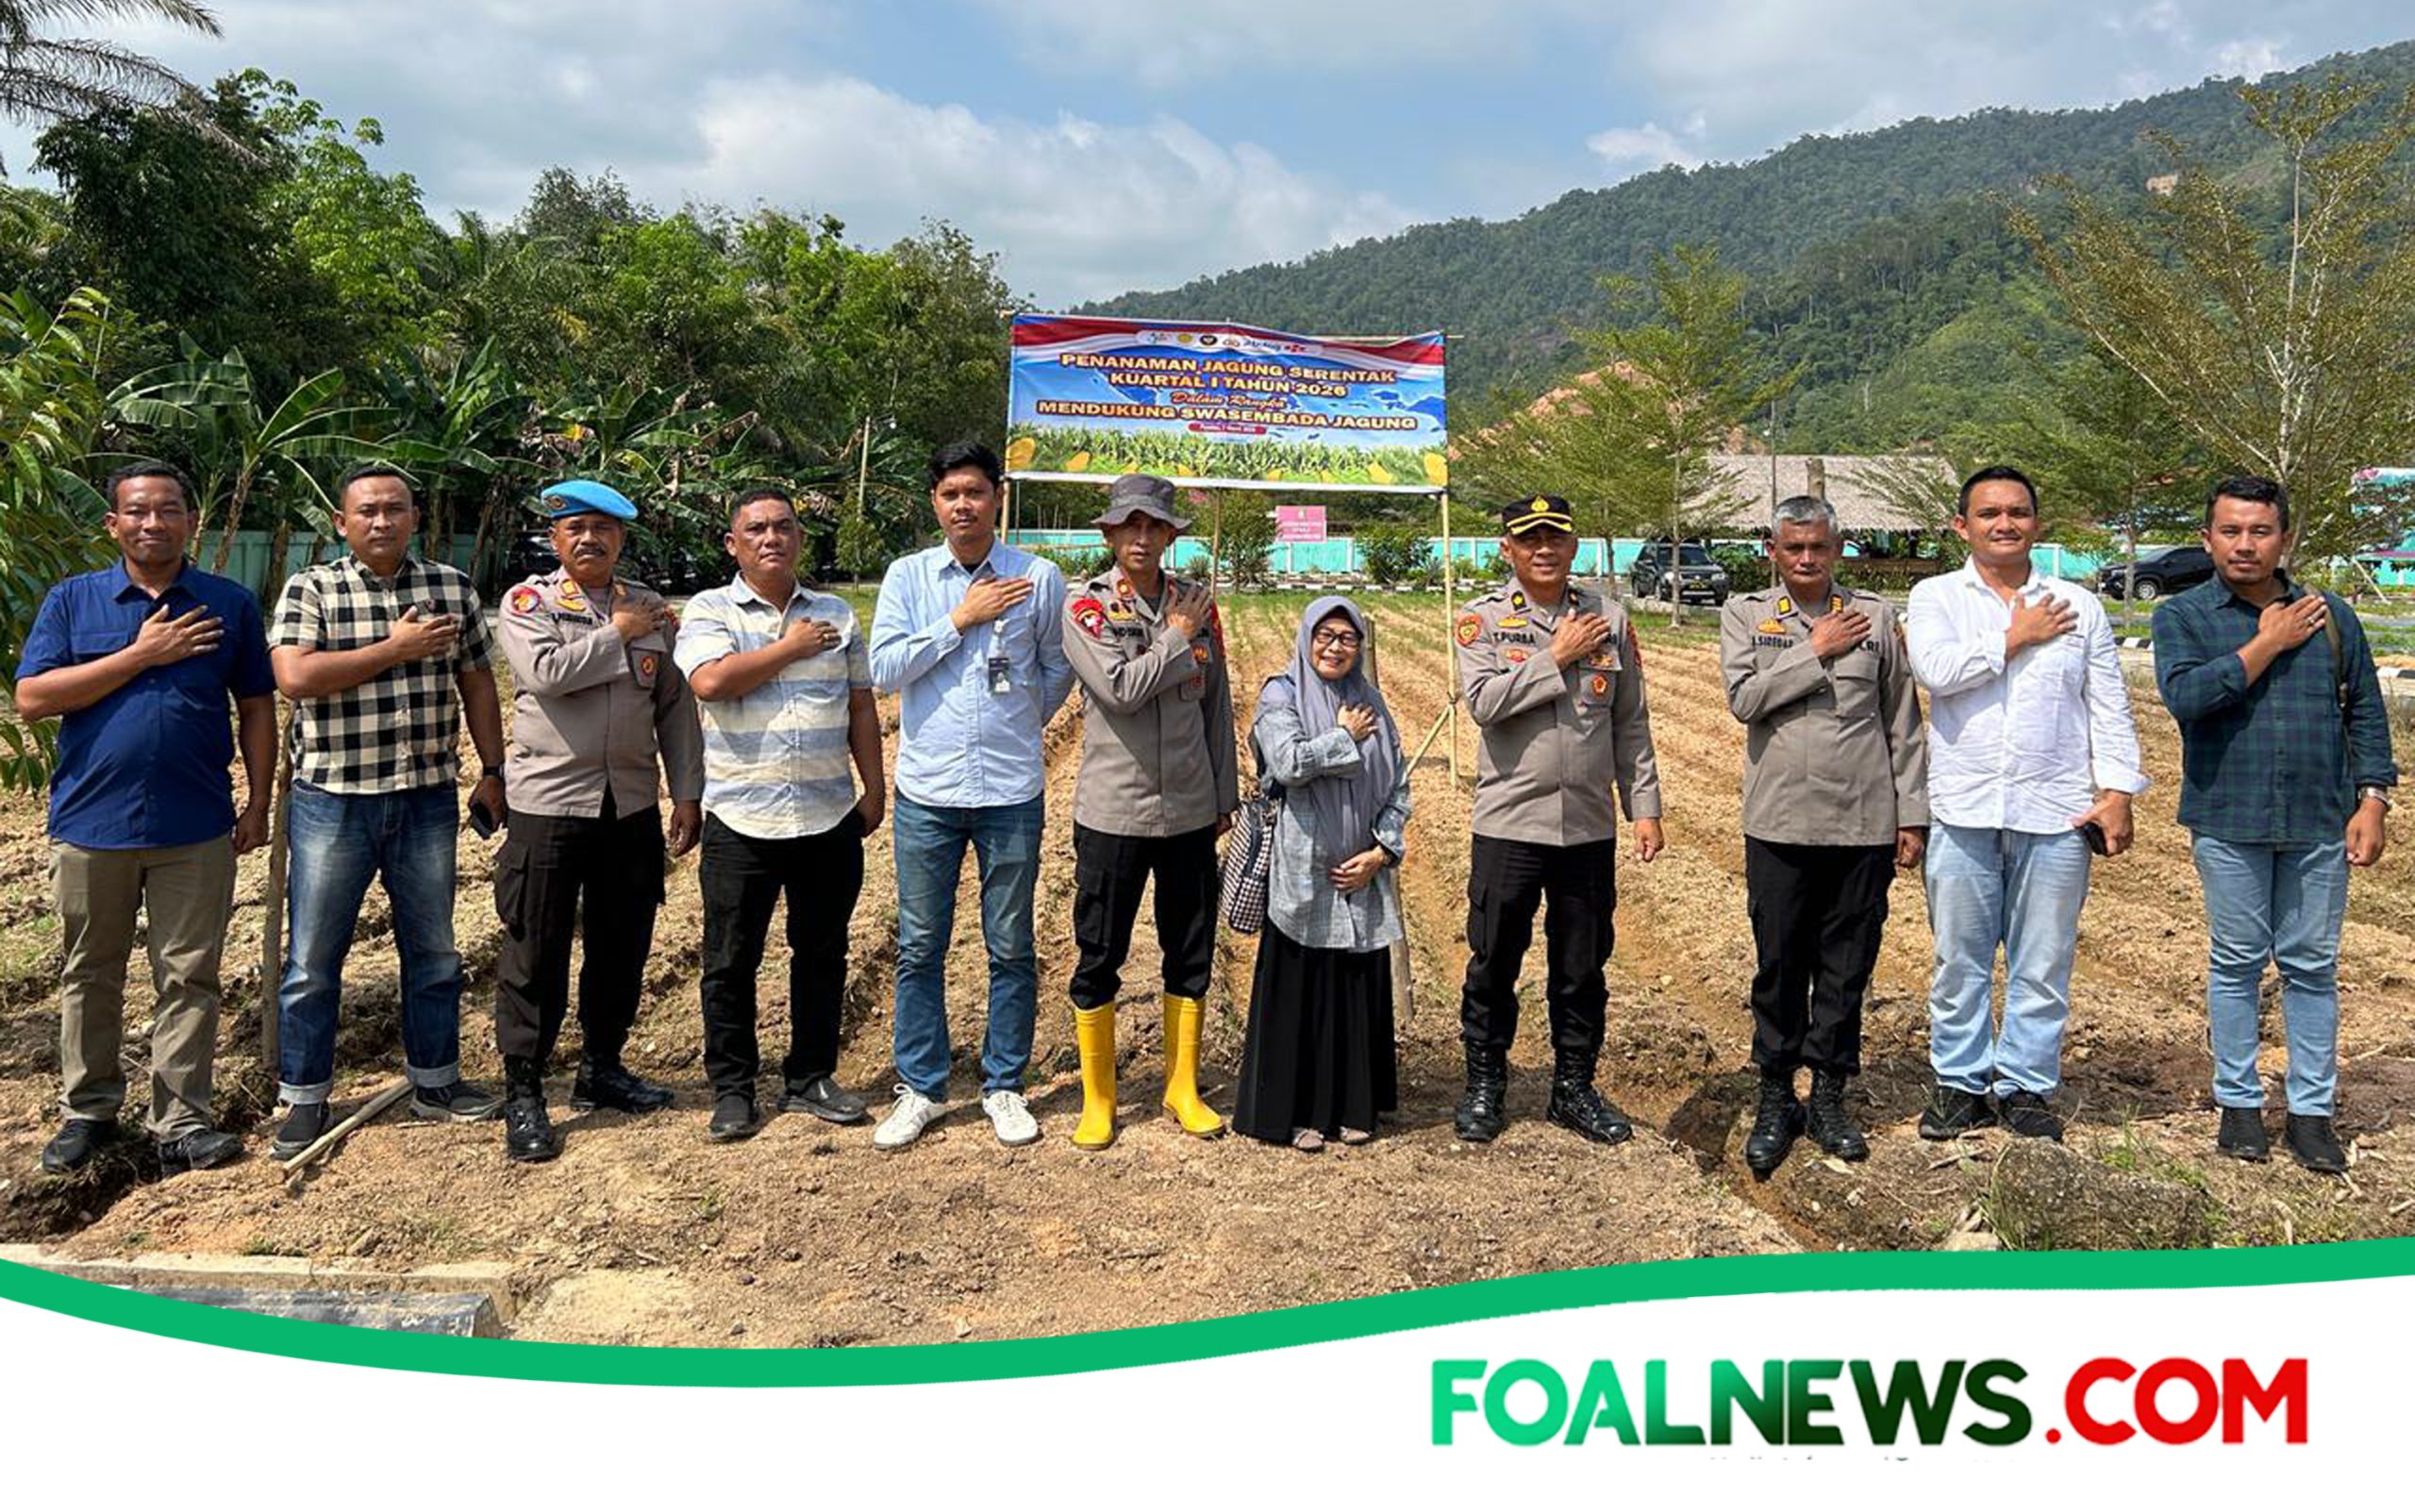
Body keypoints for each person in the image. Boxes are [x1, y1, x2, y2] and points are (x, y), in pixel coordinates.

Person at [14, 462, 275, 1176]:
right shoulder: (73, 601)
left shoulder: (228, 603)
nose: (152, 523)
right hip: (91, 824)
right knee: (90, 972)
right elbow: (33, 698)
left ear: (190, 520)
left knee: (189, 976)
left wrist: (258, 800)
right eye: (137, 511)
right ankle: (89, 1110)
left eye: (167, 510)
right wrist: (139, 655)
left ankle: (182, 1121)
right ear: (113, 524)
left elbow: (256, 704)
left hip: (195, 825)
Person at [2153, 475, 2397, 1173]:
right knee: (2236, 962)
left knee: (2312, 965)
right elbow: (2187, 697)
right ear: (2206, 539)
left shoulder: (2331, 616)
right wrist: (2266, 644)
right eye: (2230, 531)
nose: (2245, 544)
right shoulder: (2183, 616)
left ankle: (2312, 1112)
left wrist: (2373, 800)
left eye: (2260, 531)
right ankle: (2238, 1104)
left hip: (2320, 819)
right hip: (2228, 817)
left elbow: (2366, 711)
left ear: (2284, 538)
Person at [267, 463, 508, 1157]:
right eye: (367, 511)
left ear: (414, 518)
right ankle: (304, 1096)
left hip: (425, 795)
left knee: (433, 950)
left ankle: (437, 1082)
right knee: (313, 958)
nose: (381, 521)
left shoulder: (451, 587)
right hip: (334, 799)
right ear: (341, 523)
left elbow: (477, 682)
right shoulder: (312, 588)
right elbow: (296, 677)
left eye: (395, 509)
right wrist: (395, 649)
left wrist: (493, 770)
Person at [1905, 465, 2147, 1143]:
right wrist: (2017, 636)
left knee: (2043, 961)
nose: (2004, 524)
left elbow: (2108, 703)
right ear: (1962, 526)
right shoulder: (1935, 597)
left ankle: (2025, 1084)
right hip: (1963, 808)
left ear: (2036, 523)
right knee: (1959, 960)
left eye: (2017, 512)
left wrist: (2118, 791)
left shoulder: (2078, 606)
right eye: (1989, 514)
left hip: (2057, 811)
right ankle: (1960, 1082)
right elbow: (1936, 672)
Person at [489, 479, 706, 1163]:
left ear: (621, 538)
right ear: (555, 539)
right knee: (536, 948)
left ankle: (602, 1067)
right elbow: (548, 674)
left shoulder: (648, 607)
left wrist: (687, 792)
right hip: (549, 805)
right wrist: (618, 634)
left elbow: (674, 707)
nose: (590, 539)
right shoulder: (529, 604)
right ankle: (524, 1089)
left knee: (622, 943)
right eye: (576, 528)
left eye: (603, 529)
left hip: (629, 804)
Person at [866, 440, 1073, 1151]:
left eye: (975, 492)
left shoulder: (1037, 577)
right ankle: (922, 1087)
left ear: (997, 498)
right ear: (935, 503)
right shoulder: (908, 576)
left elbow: (1056, 668)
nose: (964, 505)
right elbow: (884, 668)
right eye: (951, 493)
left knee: (1010, 944)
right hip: (927, 791)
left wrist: (1020, 724)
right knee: (920, 944)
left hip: (1011, 790)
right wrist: (959, 618)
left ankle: (1004, 1083)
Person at [1719, 495, 1928, 1175]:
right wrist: (1812, 650)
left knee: (1847, 965)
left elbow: (1902, 720)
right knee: (1780, 964)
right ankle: (1777, 1093)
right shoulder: (1746, 614)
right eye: (1793, 547)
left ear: (1838, 549)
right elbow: (1745, 700)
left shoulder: (1876, 616)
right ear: (1773, 551)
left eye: (1818, 547)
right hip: (1779, 821)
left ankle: (1831, 1094)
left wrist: (1911, 814)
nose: (1806, 558)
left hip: (1861, 822)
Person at [674, 487, 885, 1144]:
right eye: (756, 529)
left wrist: (875, 786)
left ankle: (811, 1076)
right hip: (742, 817)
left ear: (799, 538)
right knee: (730, 960)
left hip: (827, 813)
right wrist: (791, 647)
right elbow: (711, 683)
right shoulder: (710, 610)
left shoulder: (835, 614)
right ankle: (733, 1088)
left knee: (822, 952)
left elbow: (860, 704)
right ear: (732, 544)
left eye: (784, 527)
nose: (772, 538)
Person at [1455, 495, 1663, 1146]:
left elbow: (1631, 722)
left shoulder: (1609, 617)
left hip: (1587, 827)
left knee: (1582, 965)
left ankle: (1573, 1087)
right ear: (1507, 549)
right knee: (1495, 959)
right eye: (1529, 539)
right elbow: (1484, 703)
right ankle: (1485, 1084)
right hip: (1510, 823)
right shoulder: (1484, 620)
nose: (1543, 549)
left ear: (1573, 547)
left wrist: (1644, 807)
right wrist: (1558, 656)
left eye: (1555, 537)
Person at [1058, 473, 1239, 1151]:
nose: (1141, 536)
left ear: (1169, 535)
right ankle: (1099, 1098)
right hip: (1115, 811)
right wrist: (1175, 637)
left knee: (1189, 949)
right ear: (1110, 533)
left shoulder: (1197, 604)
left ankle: (1181, 1087)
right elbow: (1120, 688)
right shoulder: (1087, 606)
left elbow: (1217, 703)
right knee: (1099, 951)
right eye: (1129, 525)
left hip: (1189, 810)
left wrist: (1223, 794)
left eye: (1154, 526)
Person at [1232, 597, 1409, 1152]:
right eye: (1325, 636)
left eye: (1348, 638)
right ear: (1307, 639)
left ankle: (1353, 1107)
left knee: (1352, 991)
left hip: (1361, 872)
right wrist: (1343, 737)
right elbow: (1288, 763)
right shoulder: (1280, 695)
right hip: (1302, 870)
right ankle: (1294, 1114)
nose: (1335, 647)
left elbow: (1398, 785)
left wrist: (1381, 852)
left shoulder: (1371, 702)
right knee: (1301, 993)